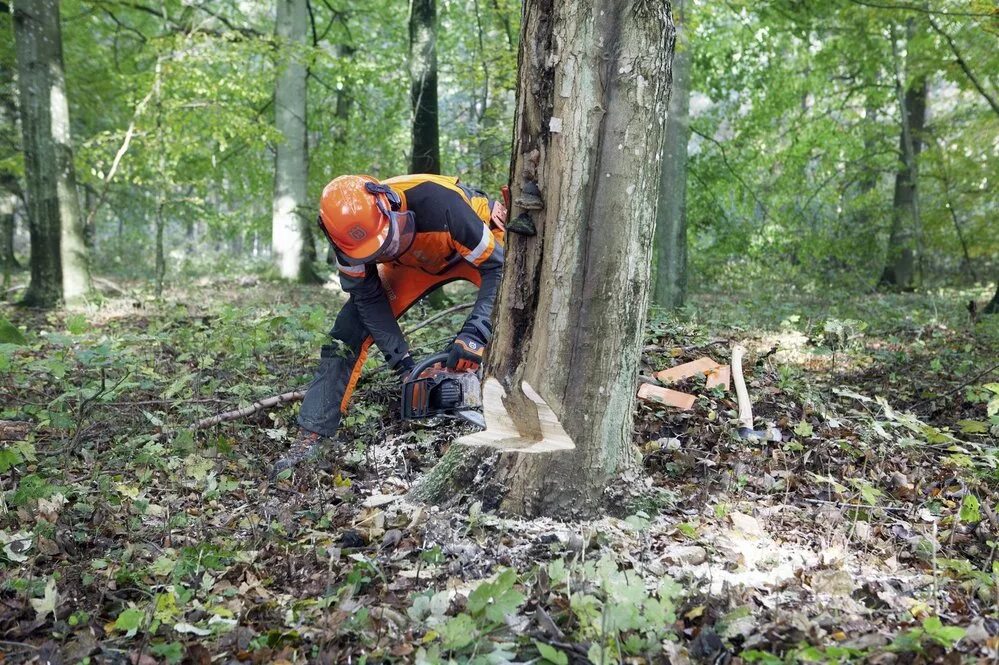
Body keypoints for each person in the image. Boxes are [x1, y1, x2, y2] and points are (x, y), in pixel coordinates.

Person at [273, 173, 507, 473]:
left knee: (514, 302)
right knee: (346, 333)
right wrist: (404, 366)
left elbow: (497, 269)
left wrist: (476, 332)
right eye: (374, 252)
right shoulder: (347, 240)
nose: (381, 252)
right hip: (409, 264)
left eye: (384, 243)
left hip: (468, 246)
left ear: (389, 205)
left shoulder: (441, 203)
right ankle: (311, 436)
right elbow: (368, 300)